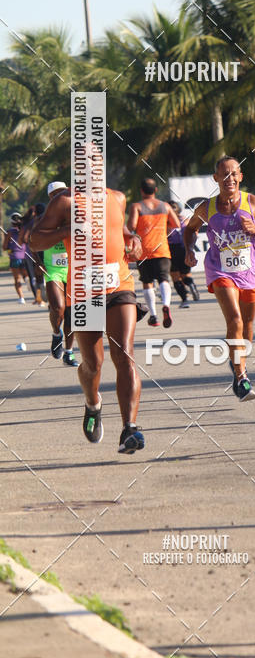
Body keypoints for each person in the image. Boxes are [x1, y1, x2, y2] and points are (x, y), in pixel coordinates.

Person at [30, 171, 146, 454]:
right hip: (83, 291)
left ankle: (129, 429)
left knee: (125, 355)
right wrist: (65, 232)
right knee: (93, 363)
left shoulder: (116, 197)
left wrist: (135, 242)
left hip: (119, 284)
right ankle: (93, 403)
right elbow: (34, 240)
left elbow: (124, 232)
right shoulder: (64, 202)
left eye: (95, 162)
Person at [184, 157, 255, 401]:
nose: (229, 178)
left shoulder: (254, 203)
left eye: (234, 174)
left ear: (241, 177)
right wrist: (189, 249)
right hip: (219, 270)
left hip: (250, 271)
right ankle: (241, 378)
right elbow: (190, 229)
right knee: (235, 320)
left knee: (247, 325)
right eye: (224, 174)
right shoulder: (206, 208)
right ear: (215, 178)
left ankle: (239, 362)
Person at [127, 178, 181, 328]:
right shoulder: (164, 206)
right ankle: (166, 304)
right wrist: (163, 227)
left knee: (147, 282)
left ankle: (153, 315)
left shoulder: (137, 206)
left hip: (144, 252)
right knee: (164, 279)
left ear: (141, 191)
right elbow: (176, 223)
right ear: (155, 190)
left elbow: (131, 226)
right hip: (162, 249)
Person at [41, 181, 77, 366]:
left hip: (74, 270)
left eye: (62, 193)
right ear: (50, 198)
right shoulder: (46, 218)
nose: (60, 197)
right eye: (55, 194)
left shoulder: (77, 215)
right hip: (53, 269)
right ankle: (57, 333)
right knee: (58, 308)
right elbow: (31, 240)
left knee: (72, 314)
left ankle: (69, 352)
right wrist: (38, 264)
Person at [168, 200, 199, 308]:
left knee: (175, 277)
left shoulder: (166, 222)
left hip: (171, 250)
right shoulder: (185, 220)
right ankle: (191, 284)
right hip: (184, 247)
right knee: (186, 274)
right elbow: (194, 232)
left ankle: (185, 300)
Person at [19, 205, 46, 306]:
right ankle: (45, 296)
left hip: (30, 254)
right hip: (45, 251)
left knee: (34, 277)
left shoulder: (29, 224)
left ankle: (39, 298)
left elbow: (24, 239)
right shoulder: (47, 220)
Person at [3, 212, 27, 304]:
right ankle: (29, 281)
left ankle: (21, 298)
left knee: (17, 279)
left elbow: (4, 247)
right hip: (25, 256)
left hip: (15, 257)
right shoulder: (25, 230)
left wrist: (8, 247)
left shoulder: (9, 232)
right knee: (27, 276)